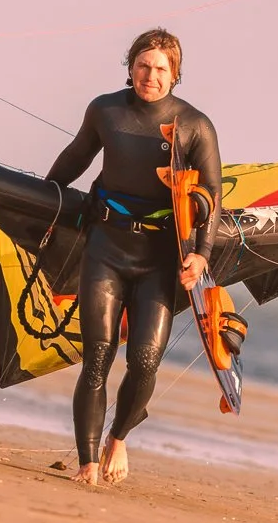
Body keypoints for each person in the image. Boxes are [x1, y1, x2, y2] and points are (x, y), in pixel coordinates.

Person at [45, 28, 221, 485]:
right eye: (143, 65)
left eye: (161, 69)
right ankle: (87, 462)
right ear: (130, 67)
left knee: (145, 361)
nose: (151, 75)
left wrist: (201, 255)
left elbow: (213, 198)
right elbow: (74, 160)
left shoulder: (195, 125)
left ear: (175, 76)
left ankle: (118, 437)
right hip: (106, 247)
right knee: (98, 356)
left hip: (161, 258)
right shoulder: (105, 110)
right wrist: (40, 204)